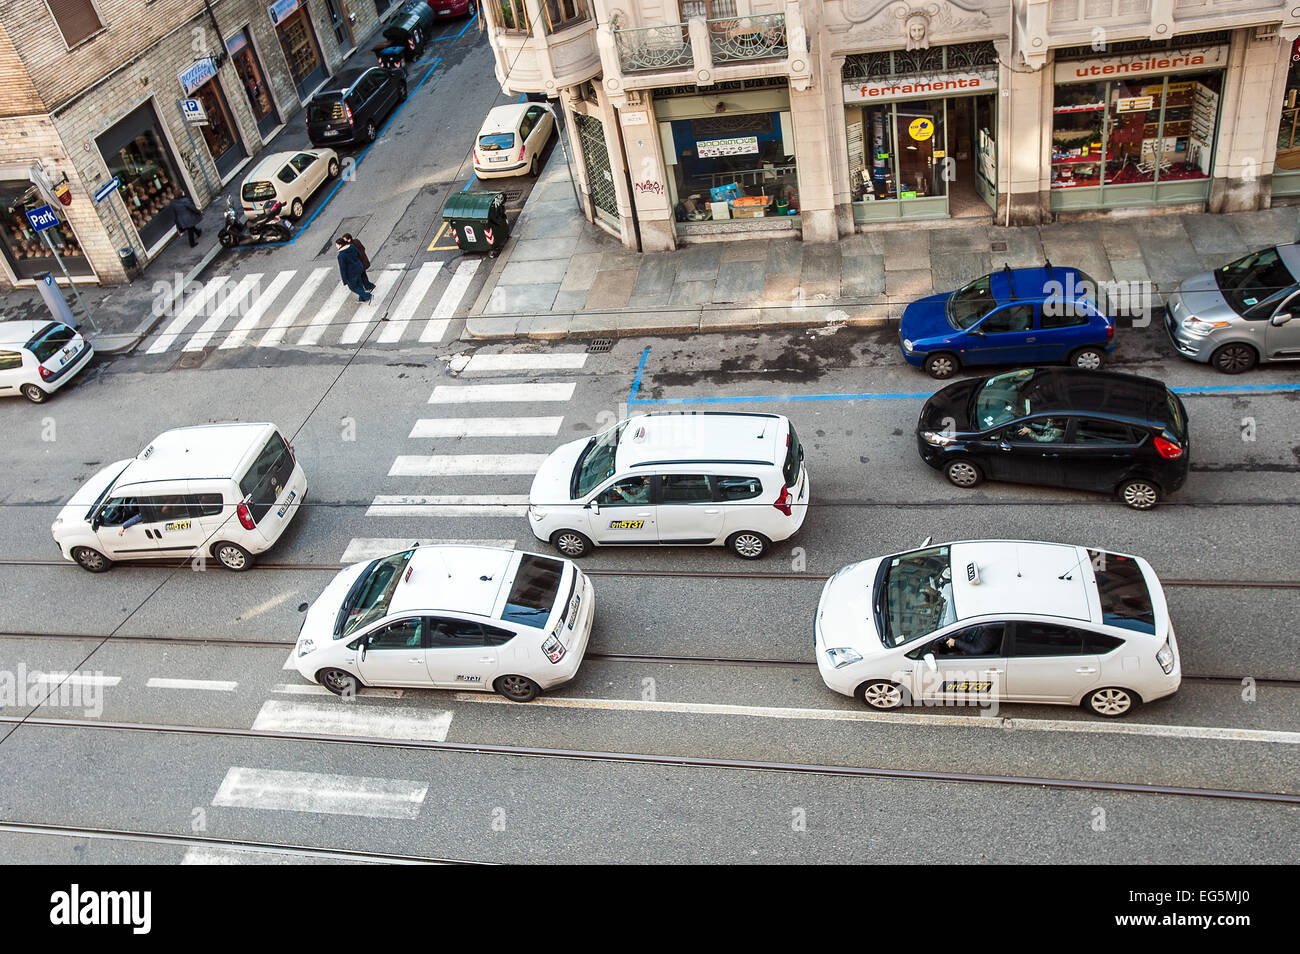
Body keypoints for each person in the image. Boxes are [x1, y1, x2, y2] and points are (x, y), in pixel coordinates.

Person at [336, 237, 372, 302]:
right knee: (359, 283)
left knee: (353, 287)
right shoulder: (352, 246)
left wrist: (344, 280)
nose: (336, 246)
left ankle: (368, 296)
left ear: (340, 245)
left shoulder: (341, 255)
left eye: (337, 245)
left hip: (351, 273)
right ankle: (362, 298)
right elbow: (359, 254)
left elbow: (343, 268)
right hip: (359, 268)